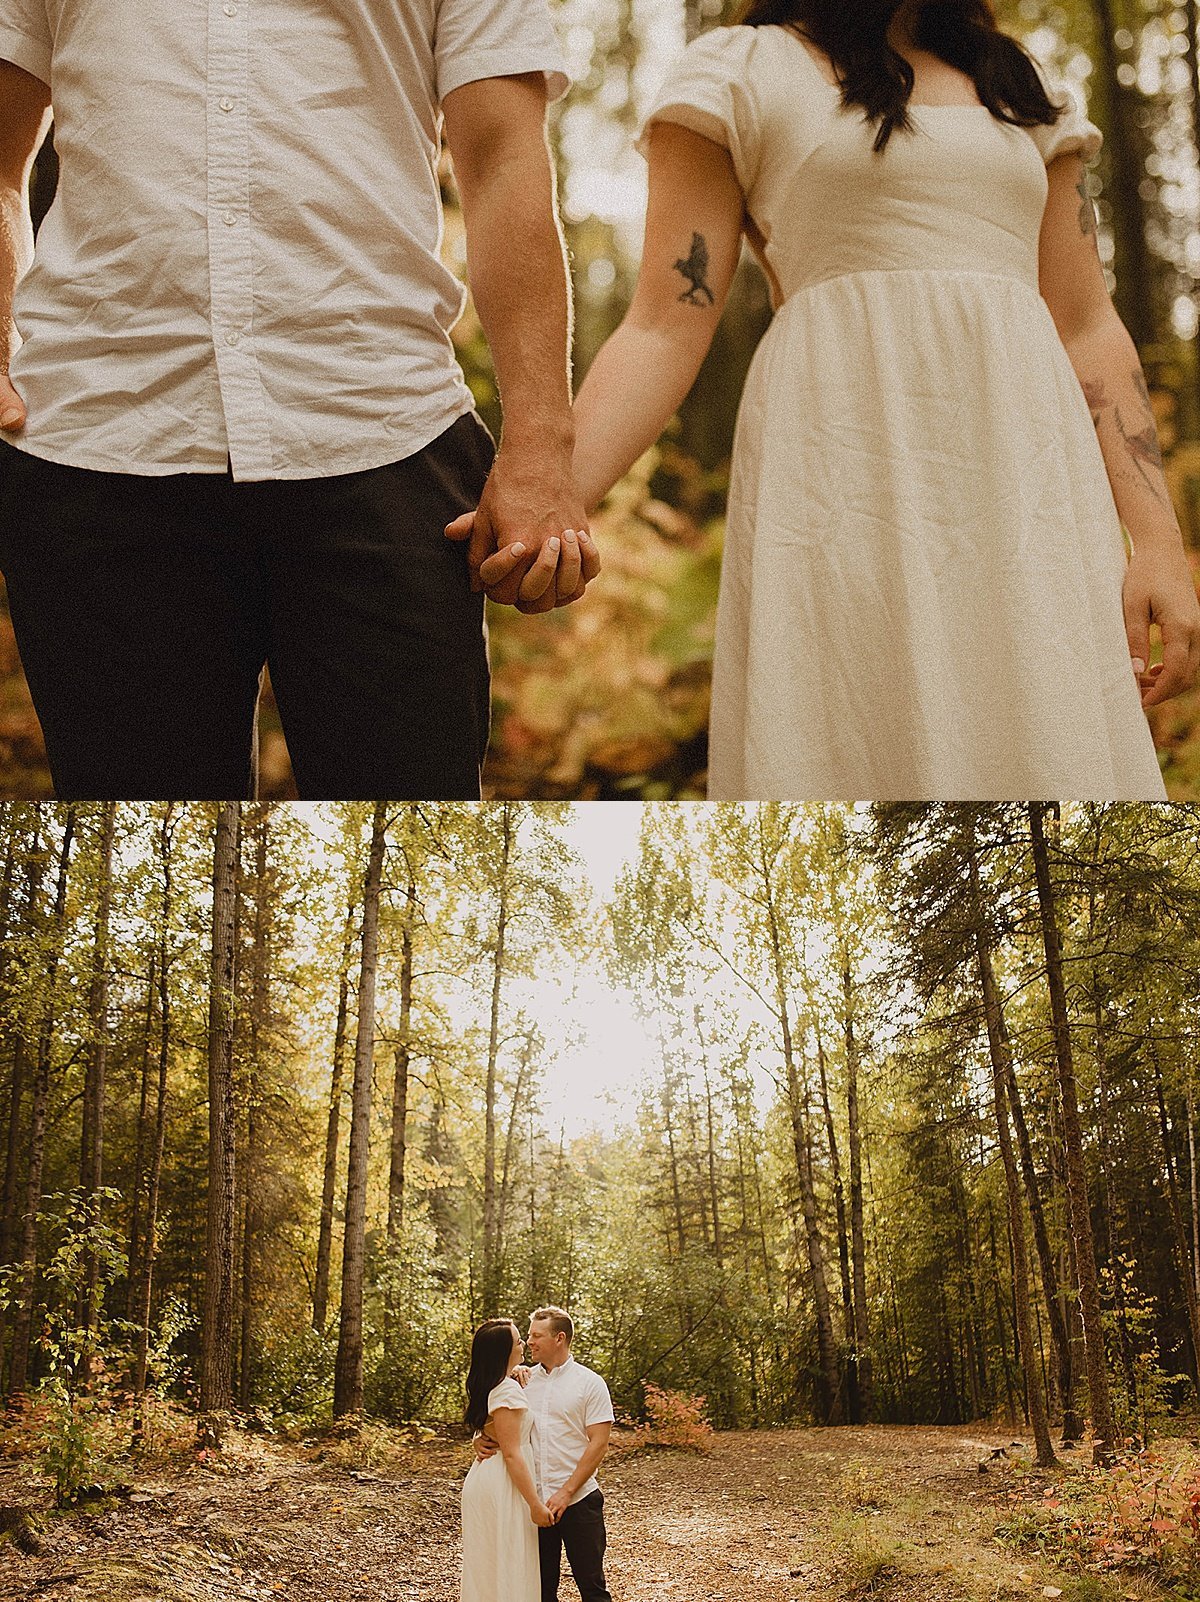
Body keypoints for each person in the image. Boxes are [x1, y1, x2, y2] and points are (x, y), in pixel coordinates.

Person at [459, 0, 1200, 802]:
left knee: (1048, 742)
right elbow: (664, 327)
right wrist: (552, 496)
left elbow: (1088, 324)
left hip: (1027, 491)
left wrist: (1158, 539)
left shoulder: (1019, 85)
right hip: (843, 476)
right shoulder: (741, 71)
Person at [0, 0, 598, 802]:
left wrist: (540, 443)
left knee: (420, 842)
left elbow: (501, 161)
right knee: (141, 846)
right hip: (97, 438)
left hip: (386, 432)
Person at [475, 1306, 616, 1602]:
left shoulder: (590, 1383)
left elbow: (598, 1444)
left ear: (560, 1338)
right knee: (539, 1591)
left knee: (592, 1587)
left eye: (537, 1335)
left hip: (579, 1501)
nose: (529, 1342)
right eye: (527, 1336)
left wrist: (566, 1492)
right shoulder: (519, 1381)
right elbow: (499, 1420)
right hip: (532, 1504)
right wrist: (479, 1437)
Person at [461, 1319, 554, 1602]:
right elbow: (513, 1453)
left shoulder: (498, 1384)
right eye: (517, 1341)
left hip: (490, 1478)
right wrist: (535, 1504)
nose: (523, 1344)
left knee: (492, 1563)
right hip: (504, 1484)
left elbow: (491, 1427)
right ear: (503, 1352)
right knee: (507, 1560)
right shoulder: (507, 1391)